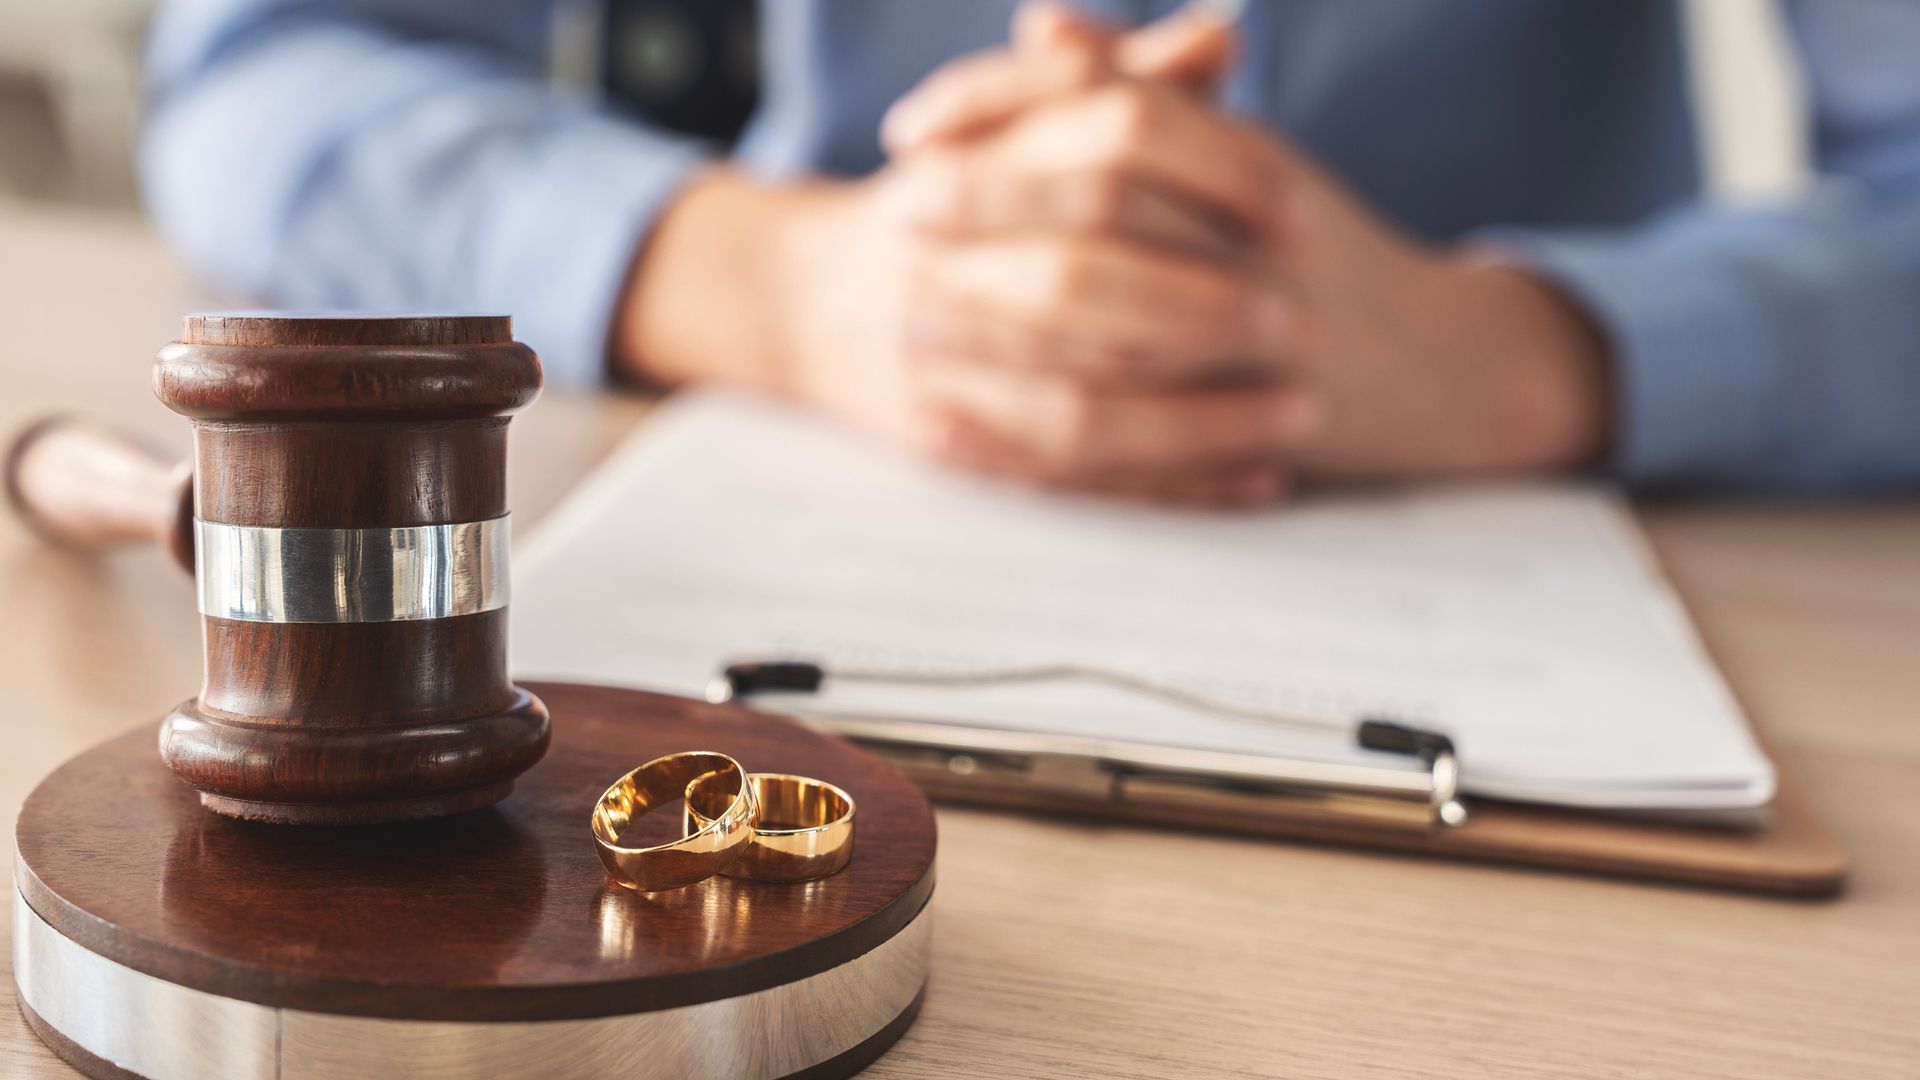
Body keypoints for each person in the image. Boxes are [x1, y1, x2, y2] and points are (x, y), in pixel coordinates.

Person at [142, 0, 1920, 504]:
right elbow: (249, 67)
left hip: (1586, 545)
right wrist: (779, 282)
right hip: (782, 479)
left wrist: (1534, 351)